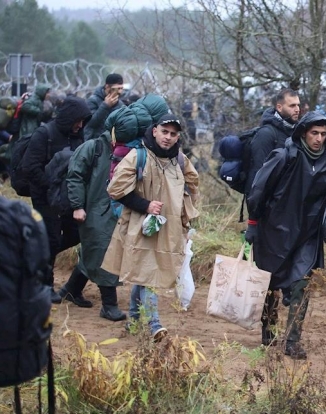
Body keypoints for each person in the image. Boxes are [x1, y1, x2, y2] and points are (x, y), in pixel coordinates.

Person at [245, 111, 326, 359]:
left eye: (323, 134)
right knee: (272, 283)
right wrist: (253, 223)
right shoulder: (283, 156)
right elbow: (258, 190)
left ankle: (292, 340)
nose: (319, 139)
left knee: (302, 283)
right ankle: (268, 329)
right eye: (314, 133)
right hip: (275, 230)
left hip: (308, 234)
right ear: (303, 132)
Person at [103, 114, 200, 342]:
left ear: (178, 137)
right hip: (141, 226)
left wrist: (185, 222)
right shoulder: (138, 156)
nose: (168, 137)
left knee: (144, 272)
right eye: (164, 132)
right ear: (155, 131)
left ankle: (134, 320)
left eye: (173, 134)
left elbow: (192, 190)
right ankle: (154, 323)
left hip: (170, 228)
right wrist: (145, 205)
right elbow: (115, 190)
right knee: (149, 271)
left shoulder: (181, 161)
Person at [65, 106, 151, 322]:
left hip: (115, 210)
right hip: (94, 210)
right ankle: (109, 305)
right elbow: (74, 176)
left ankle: (70, 289)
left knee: (93, 253)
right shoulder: (93, 148)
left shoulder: (129, 151)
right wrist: (77, 205)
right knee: (104, 251)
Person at [20, 96, 91, 305]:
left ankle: (34, 255)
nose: (80, 125)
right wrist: (50, 186)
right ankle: (45, 285)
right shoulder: (45, 134)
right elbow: (29, 167)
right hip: (44, 197)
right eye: (77, 120)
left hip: (68, 197)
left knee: (75, 233)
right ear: (68, 117)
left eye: (83, 121)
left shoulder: (78, 135)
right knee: (50, 238)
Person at [247, 89, 300, 203]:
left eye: (298, 105)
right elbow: (258, 174)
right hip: (269, 203)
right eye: (292, 106)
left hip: (290, 200)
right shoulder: (266, 134)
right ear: (279, 107)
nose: (297, 109)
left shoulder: (297, 131)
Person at [84, 73, 125, 140]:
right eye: (116, 89)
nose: (120, 92)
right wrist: (105, 106)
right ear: (107, 87)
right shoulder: (93, 100)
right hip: (94, 141)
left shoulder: (120, 104)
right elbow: (90, 123)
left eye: (121, 88)